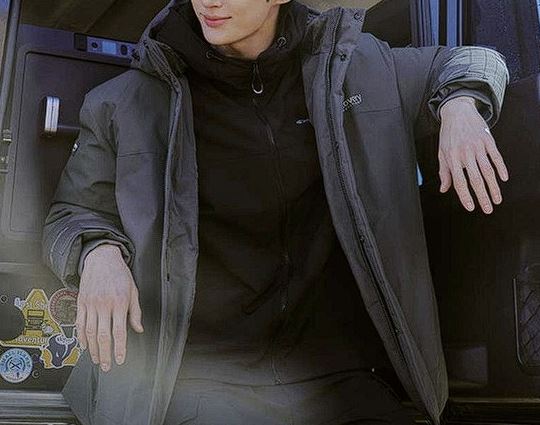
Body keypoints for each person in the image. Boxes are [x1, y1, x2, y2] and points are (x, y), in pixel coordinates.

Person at [41, 0, 510, 424]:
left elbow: (476, 59)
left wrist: (461, 106)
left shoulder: (350, 69)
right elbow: (72, 211)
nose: (209, 2)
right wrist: (98, 252)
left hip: (336, 378)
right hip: (198, 381)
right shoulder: (126, 101)